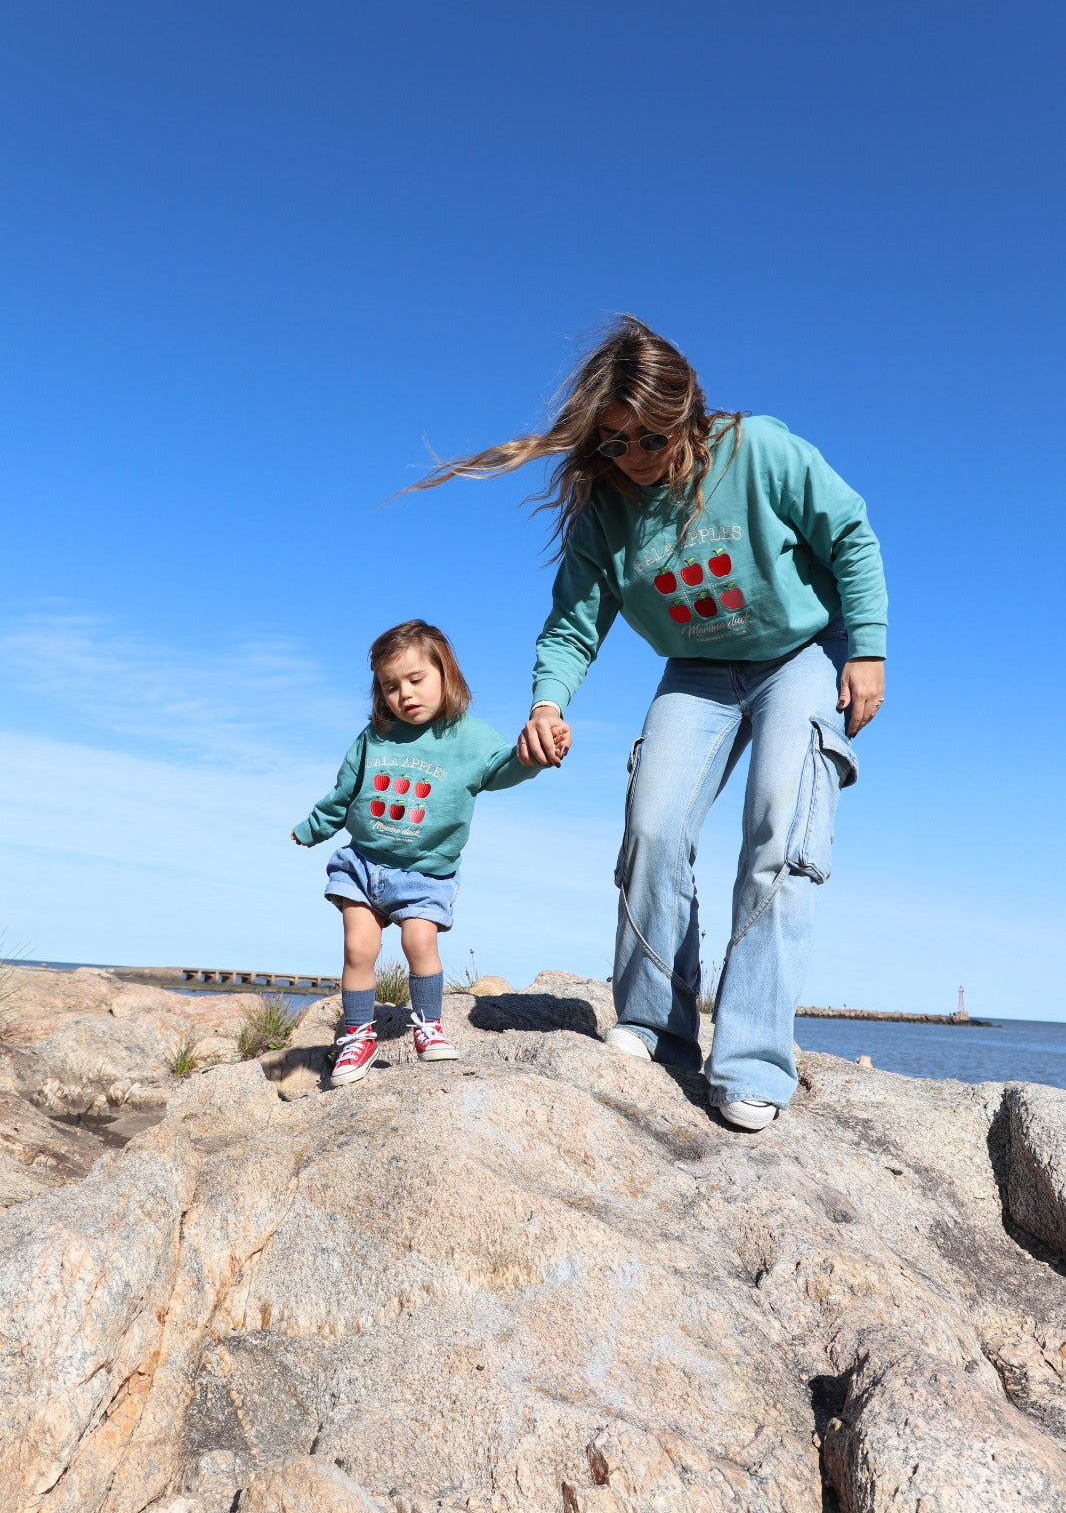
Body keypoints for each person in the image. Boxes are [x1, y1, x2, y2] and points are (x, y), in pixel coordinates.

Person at [407, 317, 887, 1131]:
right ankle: (658, 1025)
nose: (633, 455)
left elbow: (848, 533)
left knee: (781, 831)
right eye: (614, 440)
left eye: (651, 436)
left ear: (689, 412)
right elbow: (572, 624)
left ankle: (752, 1061)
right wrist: (547, 704)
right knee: (653, 827)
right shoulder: (606, 509)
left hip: (800, 653)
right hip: (695, 674)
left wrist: (866, 648)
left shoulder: (758, 449)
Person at [292, 619, 568, 1087]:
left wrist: (532, 756)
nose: (405, 695)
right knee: (358, 946)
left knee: (419, 942)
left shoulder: (469, 737)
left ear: (446, 674)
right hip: (363, 864)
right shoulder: (373, 738)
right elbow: (343, 793)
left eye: (416, 680)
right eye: (391, 686)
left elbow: (504, 767)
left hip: (426, 873)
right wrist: (313, 828)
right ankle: (357, 1035)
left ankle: (428, 1026)